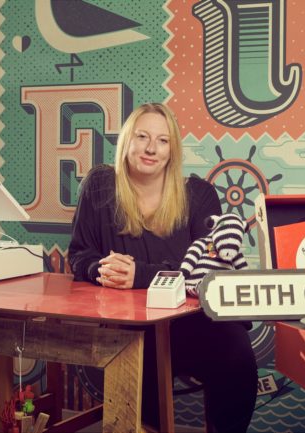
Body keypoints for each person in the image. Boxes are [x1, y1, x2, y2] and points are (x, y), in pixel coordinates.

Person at [68, 102, 258, 432]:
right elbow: (79, 254)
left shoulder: (199, 195)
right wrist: (100, 269)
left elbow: (211, 270)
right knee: (139, 361)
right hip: (126, 326)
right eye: (142, 136)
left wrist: (139, 274)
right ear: (127, 140)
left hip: (189, 326)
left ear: (172, 150)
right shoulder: (99, 186)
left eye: (163, 140)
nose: (151, 148)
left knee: (235, 349)